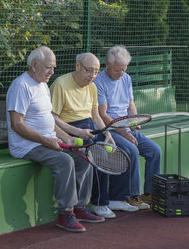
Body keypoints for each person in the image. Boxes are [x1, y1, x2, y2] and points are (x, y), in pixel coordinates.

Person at [6, 46, 104, 233]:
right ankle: (65, 214)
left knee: (84, 155)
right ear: (34, 65)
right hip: (27, 146)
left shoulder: (42, 85)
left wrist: (67, 136)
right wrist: (46, 141)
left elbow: (49, 120)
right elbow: (17, 125)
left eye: (54, 67)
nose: (52, 72)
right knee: (65, 160)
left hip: (47, 140)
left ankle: (80, 207)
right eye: (48, 67)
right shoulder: (21, 86)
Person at [50, 52, 133, 219]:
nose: (93, 76)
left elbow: (95, 116)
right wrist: (75, 133)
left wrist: (107, 134)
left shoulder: (93, 86)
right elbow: (53, 118)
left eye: (96, 72)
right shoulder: (60, 84)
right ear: (78, 66)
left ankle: (89, 205)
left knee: (110, 154)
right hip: (69, 131)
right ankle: (97, 204)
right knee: (96, 158)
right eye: (89, 71)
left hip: (90, 129)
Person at [94, 45, 162, 208]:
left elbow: (130, 104)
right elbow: (103, 115)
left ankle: (149, 194)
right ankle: (128, 196)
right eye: (118, 70)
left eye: (124, 69)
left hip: (126, 127)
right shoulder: (98, 82)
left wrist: (134, 121)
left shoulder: (126, 78)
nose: (121, 73)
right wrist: (126, 134)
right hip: (109, 129)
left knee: (154, 150)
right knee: (132, 150)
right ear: (107, 65)